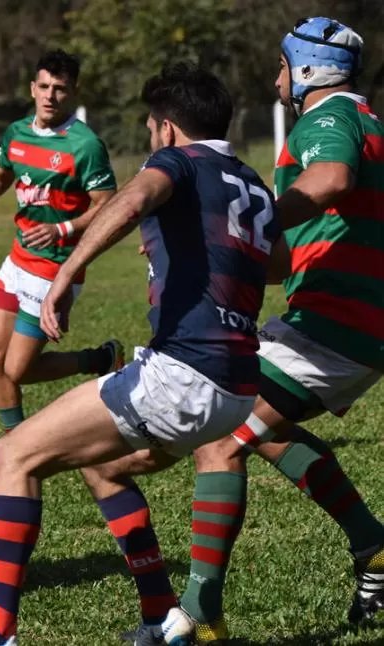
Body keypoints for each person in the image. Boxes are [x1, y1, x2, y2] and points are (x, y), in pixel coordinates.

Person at [0, 62, 281, 646]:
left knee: (15, 452)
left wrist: (69, 269)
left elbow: (131, 199)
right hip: (236, 386)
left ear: (165, 129)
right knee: (102, 466)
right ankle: (161, 615)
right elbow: (275, 263)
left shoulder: (176, 161)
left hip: (183, 372)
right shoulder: (250, 180)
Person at [127, 17, 384, 645]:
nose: (277, 81)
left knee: (221, 438)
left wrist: (258, 219)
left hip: (333, 324)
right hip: (344, 321)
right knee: (259, 426)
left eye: (282, 66)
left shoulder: (326, 121)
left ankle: (195, 615)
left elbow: (330, 182)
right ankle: (374, 548)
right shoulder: (368, 121)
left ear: (308, 71)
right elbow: (281, 258)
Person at [0, 49, 123, 472]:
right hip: (18, 260)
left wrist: (64, 229)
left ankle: (99, 360)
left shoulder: (86, 145)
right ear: (32, 89)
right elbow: (1, 178)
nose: (51, 96)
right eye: (44, 87)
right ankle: (13, 448)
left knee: (17, 369)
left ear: (73, 93)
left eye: (61, 89)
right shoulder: (17, 134)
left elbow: (108, 203)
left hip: (56, 269)